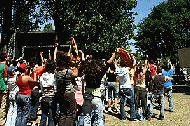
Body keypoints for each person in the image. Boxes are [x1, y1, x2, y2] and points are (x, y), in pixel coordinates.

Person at [77, 53, 115, 126]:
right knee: (99, 118)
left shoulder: (87, 72)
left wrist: (83, 57)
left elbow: (81, 67)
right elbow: (108, 63)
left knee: (86, 117)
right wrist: (114, 55)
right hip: (97, 97)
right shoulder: (100, 73)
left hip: (87, 96)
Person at [55, 51, 78, 126]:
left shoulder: (56, 71)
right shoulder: (68, 71)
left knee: (62, 113)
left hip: (60, 93)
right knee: (70, 114)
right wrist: (76, 65)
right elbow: (76, 74)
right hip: (69, 93)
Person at [115, 49, 137, 121]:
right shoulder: (127, 69)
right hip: (128, 87)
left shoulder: (118, 69)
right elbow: (133, 64)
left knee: (122, 103)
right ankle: (132, 116)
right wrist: (132, 58)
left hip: (121, 88)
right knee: (131, 103)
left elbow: (116, 66)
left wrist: (116, 62)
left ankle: (123, 116)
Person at [39, 60, 57, 126]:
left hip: (44, 98)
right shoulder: (54, 76)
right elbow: (55, 88)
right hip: (52, 98)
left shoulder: (42, 76)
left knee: (43, 116)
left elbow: (41, 88)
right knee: (51, 117)